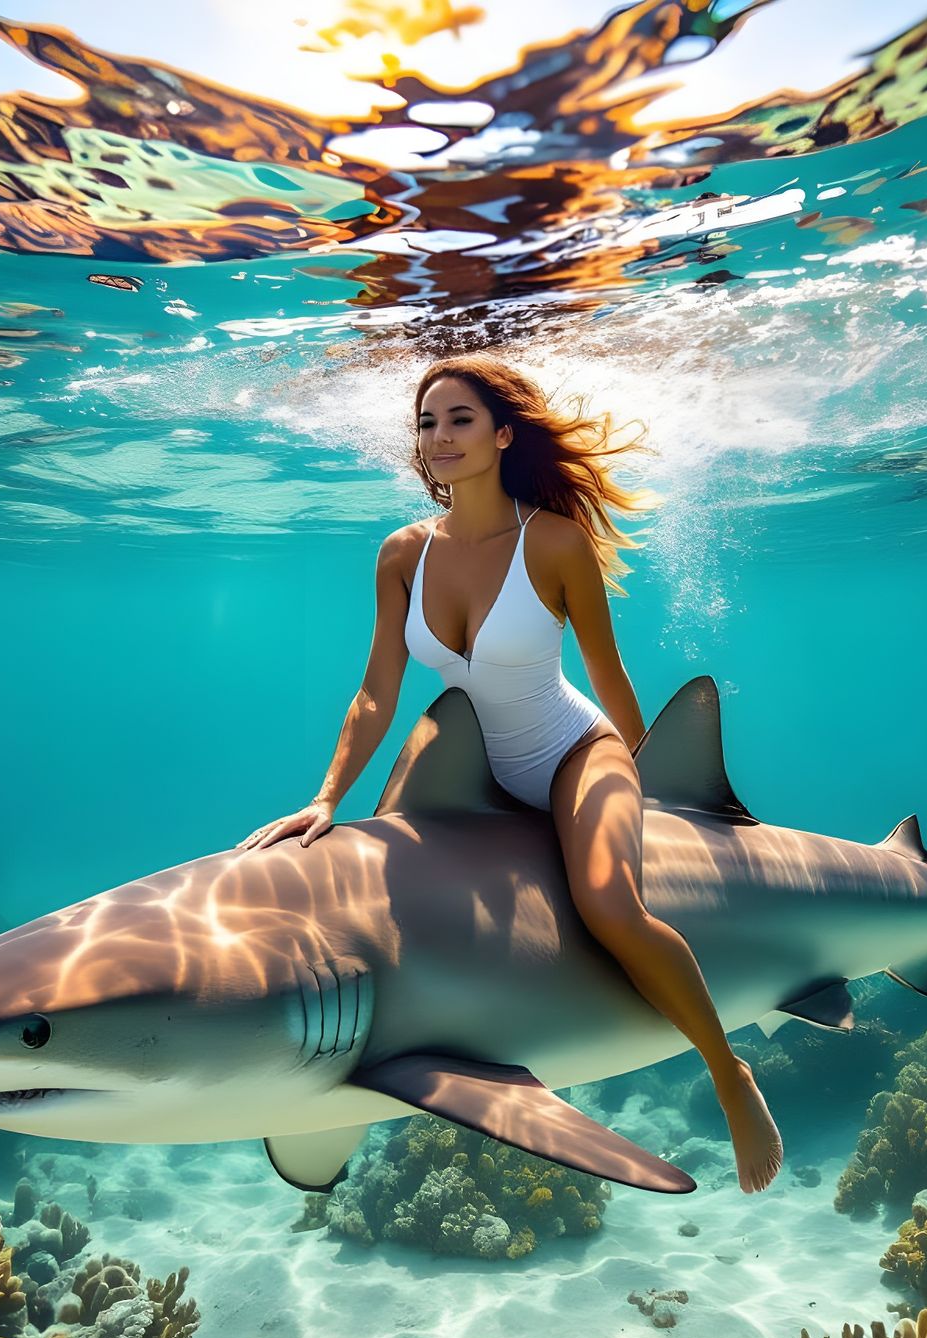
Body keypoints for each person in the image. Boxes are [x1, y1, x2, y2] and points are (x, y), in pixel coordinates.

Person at [237, 355, 782, 1194]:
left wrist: (653, 789)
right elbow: (377, 692)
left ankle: (728, 1073)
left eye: (459, 420)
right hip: (466, 753)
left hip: (570, 750)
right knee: (372, 888)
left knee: (611, 905)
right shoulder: (400, 553)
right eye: (427, 424)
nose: (441, 438)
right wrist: (324, 800)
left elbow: (607, 673)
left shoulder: (555, 541)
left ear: (502, 433)